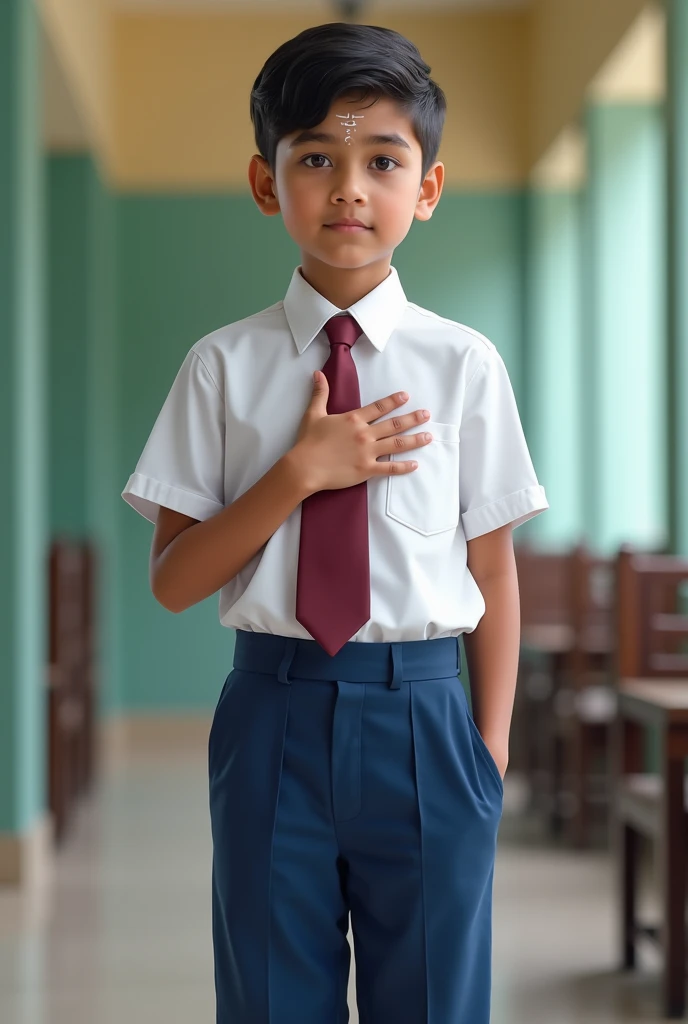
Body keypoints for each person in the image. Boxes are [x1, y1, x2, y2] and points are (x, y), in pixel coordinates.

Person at [121, 21, 549, 1024]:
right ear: (268, 184)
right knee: (272, 999)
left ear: (426, 189)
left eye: (381, 159)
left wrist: (486, 755)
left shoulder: (464, 366)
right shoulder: (219, 367)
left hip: (427, 718)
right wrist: (296, 476)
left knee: (436, 1001)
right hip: (273, 718)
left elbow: (495, 573)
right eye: (315, 157)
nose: (349, 187)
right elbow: (175, 581)